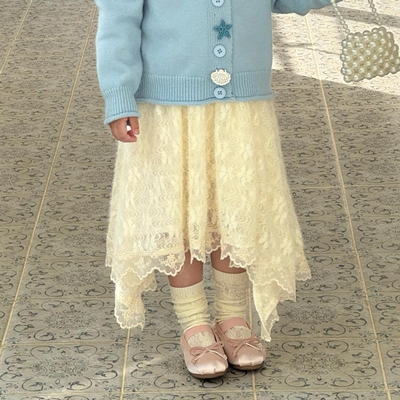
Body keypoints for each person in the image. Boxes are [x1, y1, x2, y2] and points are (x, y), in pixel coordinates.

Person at [94, 0, 336, 379]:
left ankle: (233, 316)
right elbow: (118, 20)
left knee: (234, 206)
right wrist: (119, 93)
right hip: (167, 105)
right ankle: (194, 322)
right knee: (179, 210)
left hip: (242, 103)